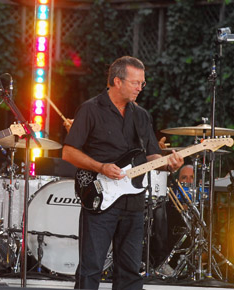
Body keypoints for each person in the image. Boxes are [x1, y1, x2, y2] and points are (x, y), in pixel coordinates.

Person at [62, 56, 184, 290]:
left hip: (134, 201)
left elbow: (151, 155)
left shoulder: (141, 115)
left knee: (130, 271)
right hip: (100, 198)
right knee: (91, 268)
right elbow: (68, 152)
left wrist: (168, 164)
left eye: (142, 83)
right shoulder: (90, 109)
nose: (140, 88)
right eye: (135, 83)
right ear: (117, 81)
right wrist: (101, 167)